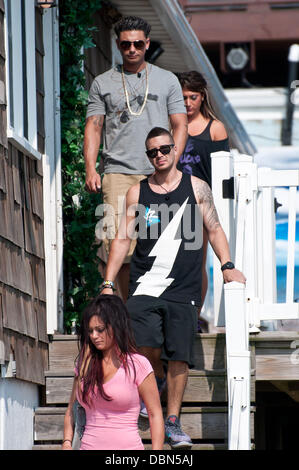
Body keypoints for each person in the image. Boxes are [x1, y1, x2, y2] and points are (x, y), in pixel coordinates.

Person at [100, 127, 246, 448]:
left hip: (185, 287)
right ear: (148, 156)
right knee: (143, 343)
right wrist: (109, 282)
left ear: (174, 150)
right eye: (153, 152)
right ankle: (156, 382)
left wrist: (227, 266)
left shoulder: (197, 188)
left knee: (179, 351)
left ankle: (172, 421)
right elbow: (123, 238)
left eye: (164, 148)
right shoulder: (138, 193)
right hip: (145, 283)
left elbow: (216, 229)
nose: (160, 155)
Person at [84, 16, 187, 300]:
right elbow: (94, 126)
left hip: (158, 173)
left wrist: (172, 161)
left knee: (163, 241)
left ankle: (159, 306)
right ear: (118, 45)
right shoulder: (102, 82)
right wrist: (91, 168)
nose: (132, 49)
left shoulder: (167, 80)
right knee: (119, 245)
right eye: (126, 44)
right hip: (118, 172)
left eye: (138, 44)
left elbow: (180, 124)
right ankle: (128, 311)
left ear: (147, 44)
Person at [62, 294, 164, 450]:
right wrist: (67, 443)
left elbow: (155, 414)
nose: (94, 336)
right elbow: (70, 410)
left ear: (115, 326)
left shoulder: (138, 364)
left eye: (100, 329)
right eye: (90, 331)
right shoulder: (85, 365)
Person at [177, 70, 230, 328]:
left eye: (193, 97)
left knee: (196, 262)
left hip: (202, 202)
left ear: (202, 96)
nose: (188, 103)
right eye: (183, 97)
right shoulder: (172, 127)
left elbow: (222, 172)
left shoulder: (215, 128)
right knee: (174, 261)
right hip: (173, 200)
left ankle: (193, 317)